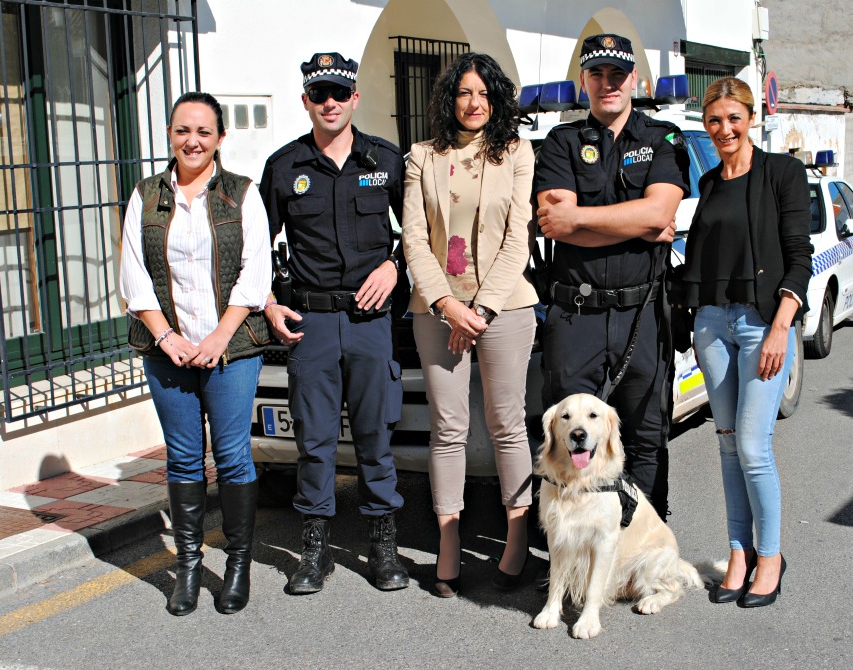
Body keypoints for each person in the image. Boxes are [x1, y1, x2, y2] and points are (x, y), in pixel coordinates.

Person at [259, 52, 409, 593]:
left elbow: (419, 235)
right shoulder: (283, 168)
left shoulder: (388, 161)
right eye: (319, 93)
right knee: (315, 442)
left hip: (370, 321)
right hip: (313, 322)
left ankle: (383, 548)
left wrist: (396, 266)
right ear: (305, 100)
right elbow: (256, 250)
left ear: (354, 99)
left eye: (339, 93)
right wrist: (269, 304)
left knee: (375, 438)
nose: (329, 102)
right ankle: (314, 551)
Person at [119, 92, 271, 616]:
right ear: (169, 134)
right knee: (184, 457)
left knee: (231, 455)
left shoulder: (242, 194)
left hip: (231, 349)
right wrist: (167, 338)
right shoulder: (144, 196)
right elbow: (134, 279)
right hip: (167, 351)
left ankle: (236, 565)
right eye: (184, 130)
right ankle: (186, 566)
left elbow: (256, 274)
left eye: (204, 132)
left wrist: (218, 338)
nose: (193, 141)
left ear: (220, 139)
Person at [534, 34, 689, 521]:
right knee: (569, 439)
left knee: (644, 434)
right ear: (584, 81)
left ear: (634, 80)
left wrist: (580, 220)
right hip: (575, 316)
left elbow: (661, 210)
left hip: (641, 314)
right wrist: (640, 224)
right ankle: (572, 548)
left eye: (617, 75)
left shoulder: (662, 137)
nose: (607, 84)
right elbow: (552, 220)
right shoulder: (561, 142)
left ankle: (638, 545)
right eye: (597, 74)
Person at [401, 53, 537, 597]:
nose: (474, 103)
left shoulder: (518, 153)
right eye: (463, 93)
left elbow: (518, 239)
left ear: (496, 98)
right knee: (448, 429)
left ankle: (515, 539)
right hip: (437, 311)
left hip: (504, 308)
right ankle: (449, 542)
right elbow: (413, 238)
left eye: (483, 93)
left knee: (507, 424)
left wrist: (479, 310)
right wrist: (446, 305)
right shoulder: (421, 157)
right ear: (449, 99)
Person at [683, 77, 812, 608]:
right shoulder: (709, 182)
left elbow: (798, 255)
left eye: (733, 118)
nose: (724, 129)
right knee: (728, 444)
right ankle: (738, 552)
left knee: (755, 447)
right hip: (713, 324)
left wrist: (782, 326)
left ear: (750, 118)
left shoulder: (782, 173)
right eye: (714, 120)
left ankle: (771, 555)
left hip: (763, 325)